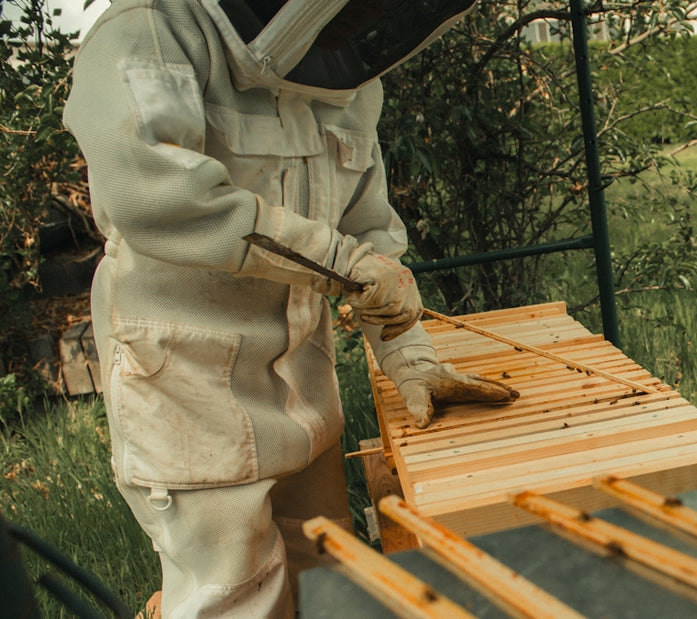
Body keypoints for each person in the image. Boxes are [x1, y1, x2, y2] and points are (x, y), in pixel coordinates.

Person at [63, 1, 517, 616]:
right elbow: (156, 197)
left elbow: (369, 227)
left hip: (302, 382)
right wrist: (339, 262)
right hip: (186, 391)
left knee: (326, 577)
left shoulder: (350, 79)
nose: (368, 16)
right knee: (240, 597)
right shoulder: (151, 33)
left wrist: (408, 354)